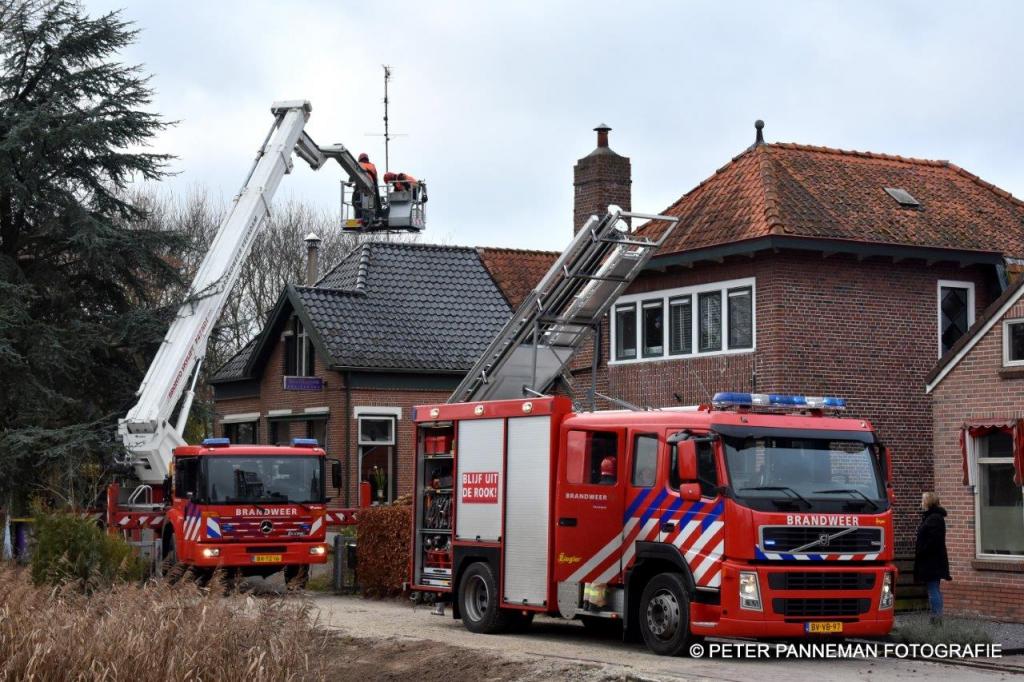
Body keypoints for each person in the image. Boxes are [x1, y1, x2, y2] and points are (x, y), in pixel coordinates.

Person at [914, 491, 952, 625]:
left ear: (929, 502)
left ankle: (936, 618)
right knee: (934, 588)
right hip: (932, 560)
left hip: (931, 561)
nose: (921, 502)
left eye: (923, 500)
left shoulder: (934, 518)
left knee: (933, 589)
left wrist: (922, 551)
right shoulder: (933, 517)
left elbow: (933, 541)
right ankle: (936, 617)